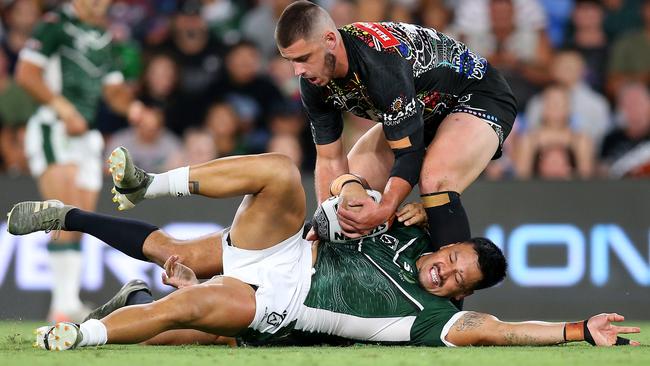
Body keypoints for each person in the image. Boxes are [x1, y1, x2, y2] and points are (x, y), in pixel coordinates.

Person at [7, 147, 639, 349]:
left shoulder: (438, 319)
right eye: (452, 257)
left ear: (460, 293)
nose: (442, 269)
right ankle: (135, 190)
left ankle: (80, 335)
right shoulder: (412, 226)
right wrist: (352, 186)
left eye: (453, 277)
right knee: (280, 172)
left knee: (190, 308)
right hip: (288, 247)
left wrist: (578, 330)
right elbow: (363, 165)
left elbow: (501, 331)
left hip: (285, 303)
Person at [274, 1, 517, 255]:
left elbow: (408, 155)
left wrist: (384, 209)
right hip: (420, 107)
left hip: (478, 95)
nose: (297, 71)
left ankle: (452, 292)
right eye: (291, 61)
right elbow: (329, 158)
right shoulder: (313, 81)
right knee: (352, 191)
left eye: (303, 58)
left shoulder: (380, 65)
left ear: (330, 40)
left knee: (435, 180)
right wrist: (328, 219)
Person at [14, 0, 158, 322]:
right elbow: (26, 73)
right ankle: (63, 305)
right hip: (55, 126)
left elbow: (114, 89)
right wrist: (65, 109)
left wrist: (135, 110)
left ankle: (67, 300)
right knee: (62, 211)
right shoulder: (55, 25)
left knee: (79, 219)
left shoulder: (104, 37)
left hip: (86, 137)